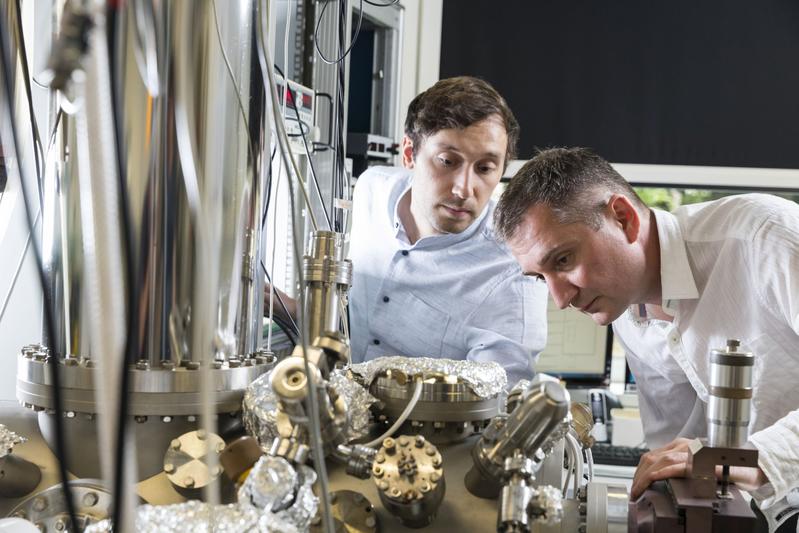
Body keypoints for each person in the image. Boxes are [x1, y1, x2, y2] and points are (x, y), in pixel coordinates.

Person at [493, 147, 799, 530]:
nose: (560, 298)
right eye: (541, 277)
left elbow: (728, 461)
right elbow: (676, 454)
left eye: (564, 261)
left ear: (623, 218)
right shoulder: (627, 312)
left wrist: (758, 459)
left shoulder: (764, 237)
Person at [267, 76, 548, 386]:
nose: (463, 189)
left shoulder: (513, 276)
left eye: (484, 168)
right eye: (447, 161)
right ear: (410, 153)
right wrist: (293, 311)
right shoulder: (371, 191)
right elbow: (357, 323)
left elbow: (497, 409)